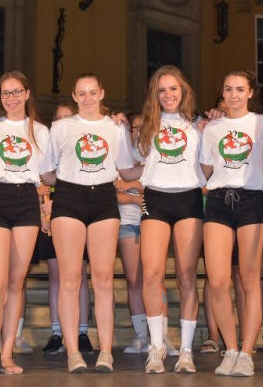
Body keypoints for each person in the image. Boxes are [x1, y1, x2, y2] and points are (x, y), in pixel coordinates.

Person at [45, 73, 141, 373]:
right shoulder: (61, 127)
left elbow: (127, 171)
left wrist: (159, 160)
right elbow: (46, 172)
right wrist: (67, 185)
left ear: (102, 93)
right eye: (81, 93)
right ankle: (73, 352)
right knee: (70, 279)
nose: (87, 98)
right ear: (75, 97)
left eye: (92, 92)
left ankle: (106, 352)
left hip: (103, 199)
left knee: (103, 279)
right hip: (69, 198)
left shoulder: (115, 128)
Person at [0, 71, 52, 374]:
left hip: (26, 199)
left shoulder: (41, 131)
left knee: (16, 283)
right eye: (6, 93)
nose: (11, 98)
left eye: (17, 91)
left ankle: (7, 354)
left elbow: (47, 174)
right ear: (0, 97)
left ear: (27, 93)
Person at [136, 66, 205, 374]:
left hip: (188, 199)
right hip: (156, 199)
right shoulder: (144, 126)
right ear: (155, 94)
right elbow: (129, 165)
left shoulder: (199, 125)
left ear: (183, 90)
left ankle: (186, 350)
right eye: (162, 89)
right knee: (151, 274)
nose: (168, 95)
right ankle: (156, 347)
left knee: (187, 276)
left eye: (173, 88)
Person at [201, 70, 263, 376]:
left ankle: (247, 352)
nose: (234, 95)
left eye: (240, 89)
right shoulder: (212, 128)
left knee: (250, 279)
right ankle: (230, 349)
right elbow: (204, 170)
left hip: (253, 199)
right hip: (218, 199)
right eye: (228, 89)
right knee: (217, 280)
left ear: (251, 92)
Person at [39, 103, 94, 355]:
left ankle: (82, 332)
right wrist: (44, 210)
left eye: (67, 117)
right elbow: (40, 181)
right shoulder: (48, 149)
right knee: (56, 276)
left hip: (78, 216)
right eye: (58, 118)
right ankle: (56, 332)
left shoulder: (82, 148)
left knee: (79, 274)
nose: (62, 122)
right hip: (52, 218)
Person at [114, 112, 149, 354]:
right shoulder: (120, 155)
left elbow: (155, 186)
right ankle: (141, 335)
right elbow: (112, 189)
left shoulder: (154, 154)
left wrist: (131, 185)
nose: (137, 132)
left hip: (151, 221)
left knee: (154, 279)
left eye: (142, 127)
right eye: (133, 128)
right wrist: (134, 194)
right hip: (127, 222)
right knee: (135, 280)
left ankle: (159, 336)